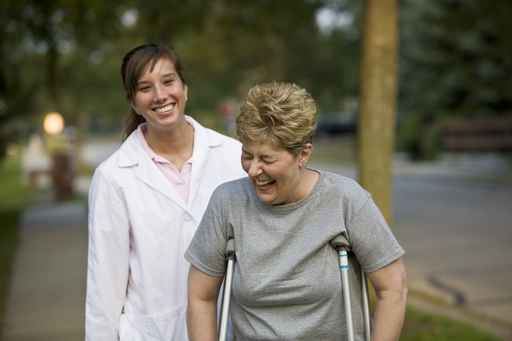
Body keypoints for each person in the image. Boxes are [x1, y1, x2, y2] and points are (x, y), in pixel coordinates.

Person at [186, 82, 407, 341]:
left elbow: (393, 287)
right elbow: (200, 296)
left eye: (267, 159)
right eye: (247, 155)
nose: (253, 170)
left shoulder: (347, 200)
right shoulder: (228, 203)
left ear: (303, 154)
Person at [85, 43, 245, 341]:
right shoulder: (113, 176)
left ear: (185, 88)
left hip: (226, 327)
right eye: (145, 87)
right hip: (149, 333)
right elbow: (104, 285)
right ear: (133, 101)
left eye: (168, 81)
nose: (160, 95)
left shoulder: (233, 156)